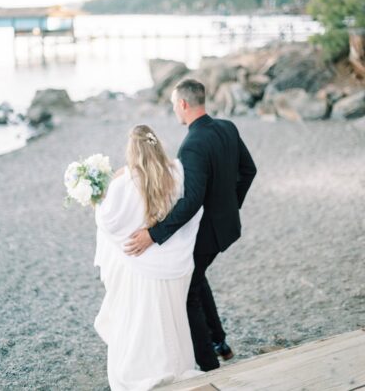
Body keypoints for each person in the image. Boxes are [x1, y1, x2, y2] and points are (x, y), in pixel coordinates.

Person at [125, 79, 257, 372]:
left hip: (207, 234)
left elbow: (193, 200)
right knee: (197, 278)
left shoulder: (192, 145)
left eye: (174, 105)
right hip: (226, 227)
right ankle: (219, 342)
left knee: (188, 294)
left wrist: (153, 234)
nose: (175, 111)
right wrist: (230, 206)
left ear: (183, 104)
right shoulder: (227, 127)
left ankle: (209, 364)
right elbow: (249, 171)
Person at [93, 124, 203, 391]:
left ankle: (147, 369)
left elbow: (109, 221)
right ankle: (176, 366)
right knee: (172, 320)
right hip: (174, 263)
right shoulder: (176, 172)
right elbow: (188, 207)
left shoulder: (125, 183)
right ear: (156, 144)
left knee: (143, 322)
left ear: (132, 151)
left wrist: (97, 202)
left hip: (141, 265)